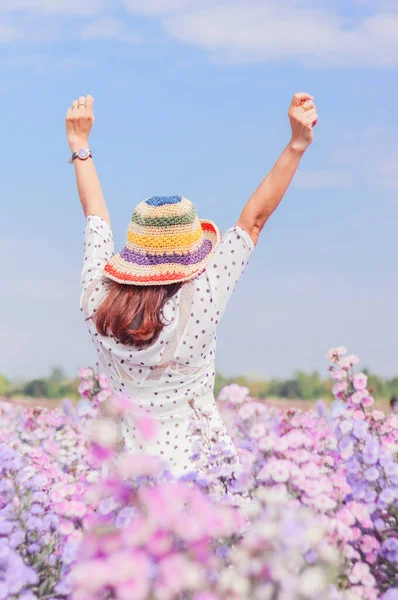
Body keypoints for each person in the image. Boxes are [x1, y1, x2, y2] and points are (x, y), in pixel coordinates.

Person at [66, 92, 318, 475]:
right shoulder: (203, 295)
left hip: (124, 479)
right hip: (202, 473)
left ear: (134, 252)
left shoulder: (96, 300)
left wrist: (80, 146)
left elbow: (95, 218)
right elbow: (254, 220)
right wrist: (296, 145)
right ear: (191, 258)